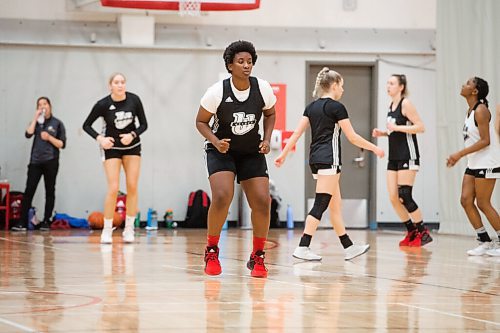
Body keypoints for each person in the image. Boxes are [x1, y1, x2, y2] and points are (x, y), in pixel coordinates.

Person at [275, 67, 385, 261]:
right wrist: (374, 148)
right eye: (341, 86)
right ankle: (303, 246)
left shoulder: (311, 107)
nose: (342, 90)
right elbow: (352, 137)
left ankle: (349, 247)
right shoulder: (337, 107)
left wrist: (283, 154)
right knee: (321, 203)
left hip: (316, 160)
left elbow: (296, 133)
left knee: (335, 206)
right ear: (334, 85)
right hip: (329, 160)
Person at [195, 40, 276, 277]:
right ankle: (211, 249)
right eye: (241, 62)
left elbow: (270, 114)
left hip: (251, 151)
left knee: (262, 200)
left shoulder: (262, 88)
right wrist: (215, 141)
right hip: (221, 150)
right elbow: (200, 121)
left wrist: (267, 139)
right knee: (222, 196)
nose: (246, 65)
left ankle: (258, 256)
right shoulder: (217, 91)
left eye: (249, 61)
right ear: (230, 65)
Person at [83, 73, 147, 244]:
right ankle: (107, 229)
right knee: (113, 188)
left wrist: (132, 135)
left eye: (122, 82)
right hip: (111, 148)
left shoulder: (134, 100)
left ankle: (129, 228)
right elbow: (86, 125)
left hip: (132, 147)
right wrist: (100, 139)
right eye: (116, 82)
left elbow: (144, 125)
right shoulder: (103, 104)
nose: (120, 85)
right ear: (110, 85)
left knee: (132, 186)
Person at [372, 74, 432, 247]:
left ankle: (423, 232)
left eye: (392, 83)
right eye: (387, 83)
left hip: (408, 154)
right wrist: (383, 133)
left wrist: (396, 127)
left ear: (401, 87)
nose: (388, 86)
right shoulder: (391, 105)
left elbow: (420, 127)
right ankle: (411, 231)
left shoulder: (406, 104)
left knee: (405, 195)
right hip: (394, 156)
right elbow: (394, 131)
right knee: (393, 197)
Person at [446, 77, 500, 256]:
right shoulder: (470, 110)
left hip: (488, 162)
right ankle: (485, 241)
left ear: (475, 91)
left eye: (468, 83)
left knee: (483, 203)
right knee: (465, 200)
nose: (463, 85)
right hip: (474, 161)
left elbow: (486, 141)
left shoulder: (481, 110)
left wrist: (459, 154)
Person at [12, 97, 66, 231]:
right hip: (35, 162)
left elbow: (62, 144)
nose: (43, 106)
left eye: (45, 104)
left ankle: (46, 220)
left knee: (49, 190)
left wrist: (49, 137)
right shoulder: (36, 123)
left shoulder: (57, 123)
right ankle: (22, 222)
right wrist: (35, 118)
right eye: (40, 105)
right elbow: (28, 134)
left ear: (50, 106)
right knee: (29, 190)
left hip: (51, 161)